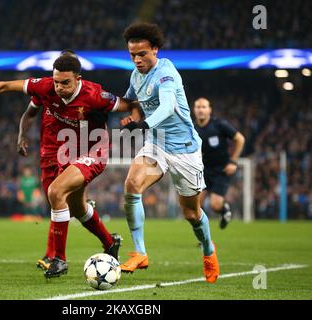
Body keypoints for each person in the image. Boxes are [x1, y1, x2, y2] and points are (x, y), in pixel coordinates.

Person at [0, 52, 135, 278]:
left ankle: (58, 258)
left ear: (78, 79)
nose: (59, 87)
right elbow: (3, 86)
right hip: (57, 152)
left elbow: (129, 105)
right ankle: (110, 242)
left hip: (93, 151)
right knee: (75, 206)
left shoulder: (95, 95)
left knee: (56, 191)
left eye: (65, 83)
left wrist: (140, 117)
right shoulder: (44, 88)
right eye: (56, 81)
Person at [119, 22, 220, 283]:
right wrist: (115, 109)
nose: (137, 60)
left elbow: (167, 106)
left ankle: (208, 250)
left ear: (155, 49)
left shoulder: (167, 73)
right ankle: (140, 252)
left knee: (191, 214)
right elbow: (129, 99)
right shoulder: (135, 75)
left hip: (185, 150)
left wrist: (143, 123)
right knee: (132, 184)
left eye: (142, 54)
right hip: (157, 142)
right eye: (132, 55)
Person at [193, 97, 245, 229]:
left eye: (204, 107)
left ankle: (224, 210)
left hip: (221, 170)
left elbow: (240, 139)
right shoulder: (192, 129)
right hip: (203, 170)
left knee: (215, 205)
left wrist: (233, 161)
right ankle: (203, 238)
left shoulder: (220, 125)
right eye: (198, 107)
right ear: (194, 110)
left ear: (209, 110)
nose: (201, 110)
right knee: (195, 207)